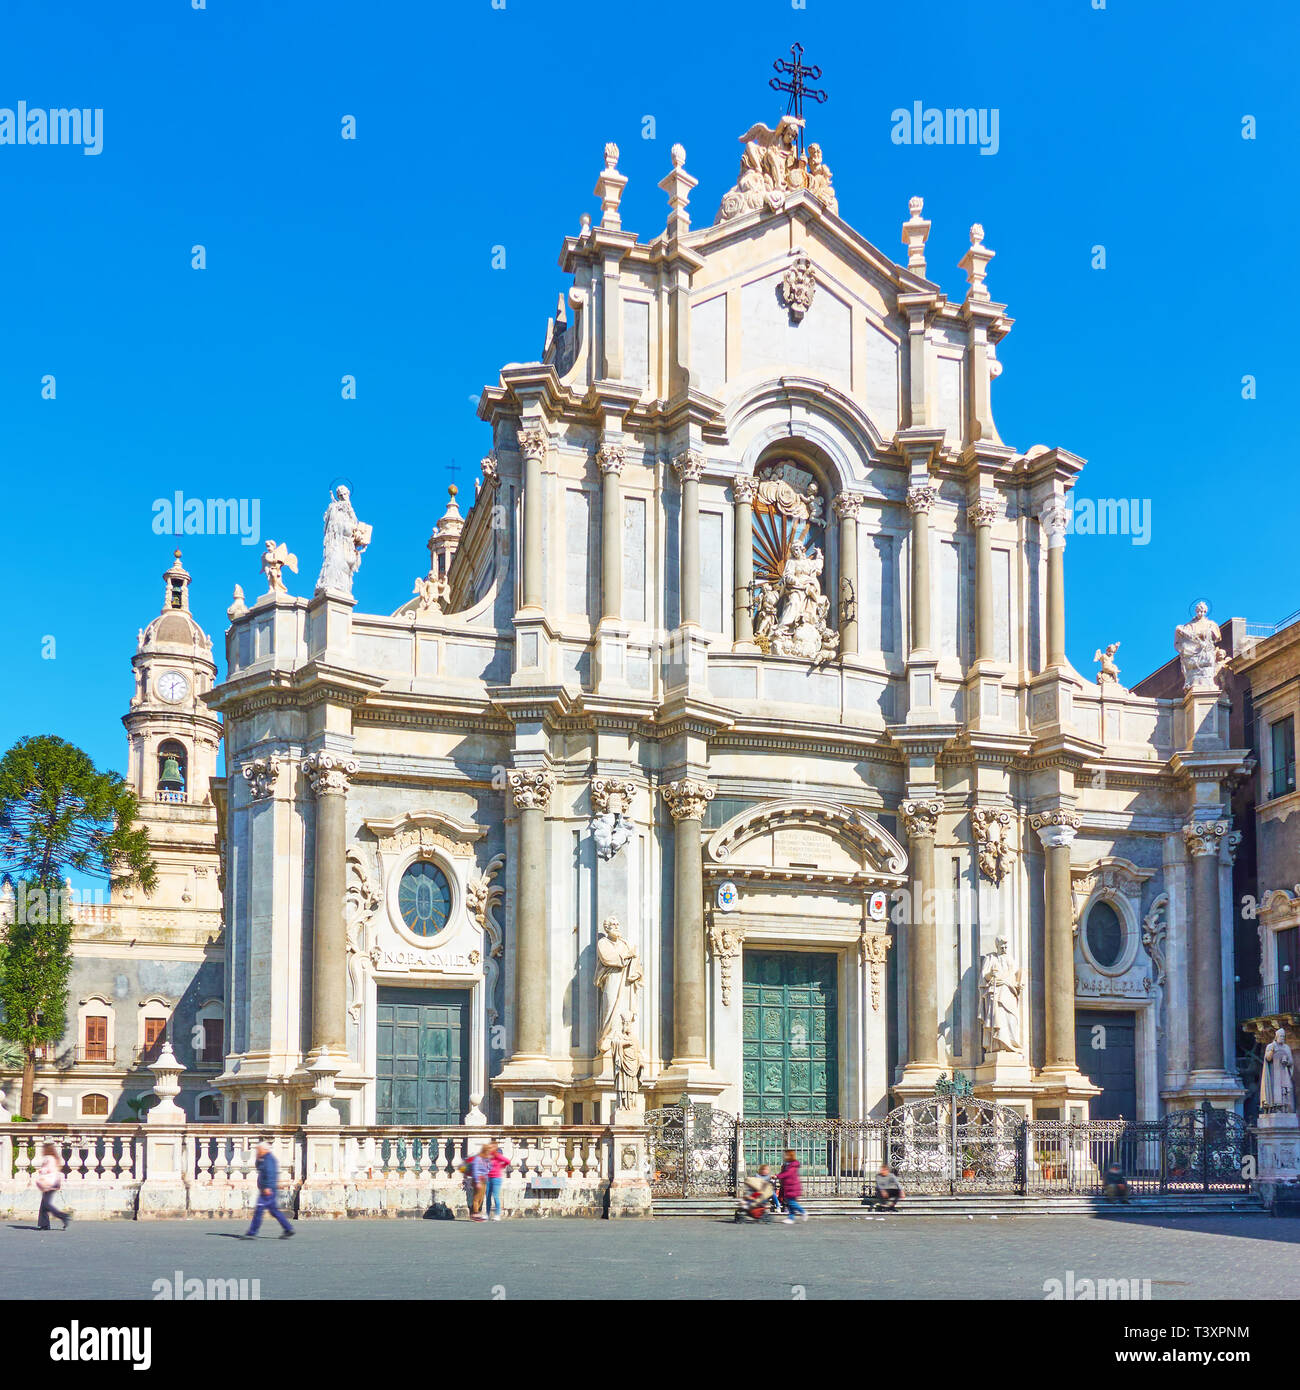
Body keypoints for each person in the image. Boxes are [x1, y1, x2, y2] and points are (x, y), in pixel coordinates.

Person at [242, 1140, 294, 1239]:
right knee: (274, 1211)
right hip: (268, 1188)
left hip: (267, 1189)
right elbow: (258, 1168)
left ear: (264, 1149)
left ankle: (252, 1232)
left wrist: (267, 1187)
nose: (258, 1152)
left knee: (259, 1210)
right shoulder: (264, 1158)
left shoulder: (269, 1159)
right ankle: (288, 1229)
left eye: (259, 1150)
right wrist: (258, 1158)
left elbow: (270, 1174)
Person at [35, 1144, 72, 1231]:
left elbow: (48, 1170)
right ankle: (44, 1224)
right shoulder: (54, 1158)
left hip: (49, 1182)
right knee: (44, 1204)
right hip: (54, 1181)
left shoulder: (48, 1158)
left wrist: (41, 1170)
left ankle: (63, 1216)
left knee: (46, 1204)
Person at [777, 1150, 807, 1223]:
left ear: (790, 1156)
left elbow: (788, 1174)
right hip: (787, 1186)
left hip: (792, 1187)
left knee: (791, 1202)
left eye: (786, 1155)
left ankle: (802, 1211)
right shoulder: (786, 1164)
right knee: (790, 1203)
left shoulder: (793, 1165)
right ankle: (791, 1218)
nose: (784, 1156)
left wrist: (777, 1176)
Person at [484, 1140, 510, 1222]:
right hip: (488, 1178)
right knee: (488, 1197)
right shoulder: (488, 1156)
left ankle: (497, 1214)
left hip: (496, 1178)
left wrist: (501, 1166)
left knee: (495, 1196)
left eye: (492, 1147)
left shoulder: (497, 1155)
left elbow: (507, 1161)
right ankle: (487, 1214)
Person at [461, 1146, 489, 1221]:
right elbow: (476, 1170)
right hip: (478, 1180)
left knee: (481, 1197)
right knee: (476, 1198)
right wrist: (477, 1182)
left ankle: (476, 1213)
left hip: (484, 1180)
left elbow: (487, 1169)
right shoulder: (478, 1159)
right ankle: (475, 1213)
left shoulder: (485, 1160)